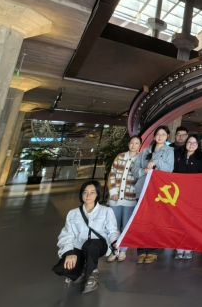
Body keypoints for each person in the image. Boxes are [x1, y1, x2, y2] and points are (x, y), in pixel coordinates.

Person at [53, 180, 119, 294]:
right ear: (81, 194)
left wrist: (115, 241)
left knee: (90, 245)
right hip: (79, 246)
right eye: (85, 192)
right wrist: (69, 252)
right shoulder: (73, 213)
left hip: (98, 245)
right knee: (61, 269)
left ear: (97, 194)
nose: (88, 195)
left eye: (92, 192)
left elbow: (112, 231)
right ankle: (81, 272)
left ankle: (92, 274)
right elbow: (67, 234)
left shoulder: (106, 211)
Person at [132, 125, 174, 264]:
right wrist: (143, 171)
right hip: (143, 189)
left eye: (163, 134)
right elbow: (134, 170)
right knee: (142, 222)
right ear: (154, 136)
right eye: (158, 134)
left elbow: (169, 169)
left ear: (167, 136)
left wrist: (156, 161)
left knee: (155, 222)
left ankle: (153, 251)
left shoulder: (169, 151)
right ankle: (141, 251)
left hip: (158, 192)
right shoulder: (145, 151)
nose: (160, 137)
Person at [106, 135, 141, 263]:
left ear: (139, 146)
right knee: (113, 225)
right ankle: (114, 250)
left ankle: (123, 250)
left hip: (130, 198)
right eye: (132, 142)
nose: (133, 145)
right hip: (115, 198)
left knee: (126, 226)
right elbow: (112, 174)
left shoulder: (140, 159)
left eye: (136, 143)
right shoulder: (120, 156)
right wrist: (113, 191)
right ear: (128, 144)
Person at [173, 134, 202, 260]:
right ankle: (179, 248)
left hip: (193, 195)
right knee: (179, 221)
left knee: (191, 222)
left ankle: (189, 248)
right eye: (189, 142)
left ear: (198, 145)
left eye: (194, 142)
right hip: (179, 194)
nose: (191, 145)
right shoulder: (178, 156)